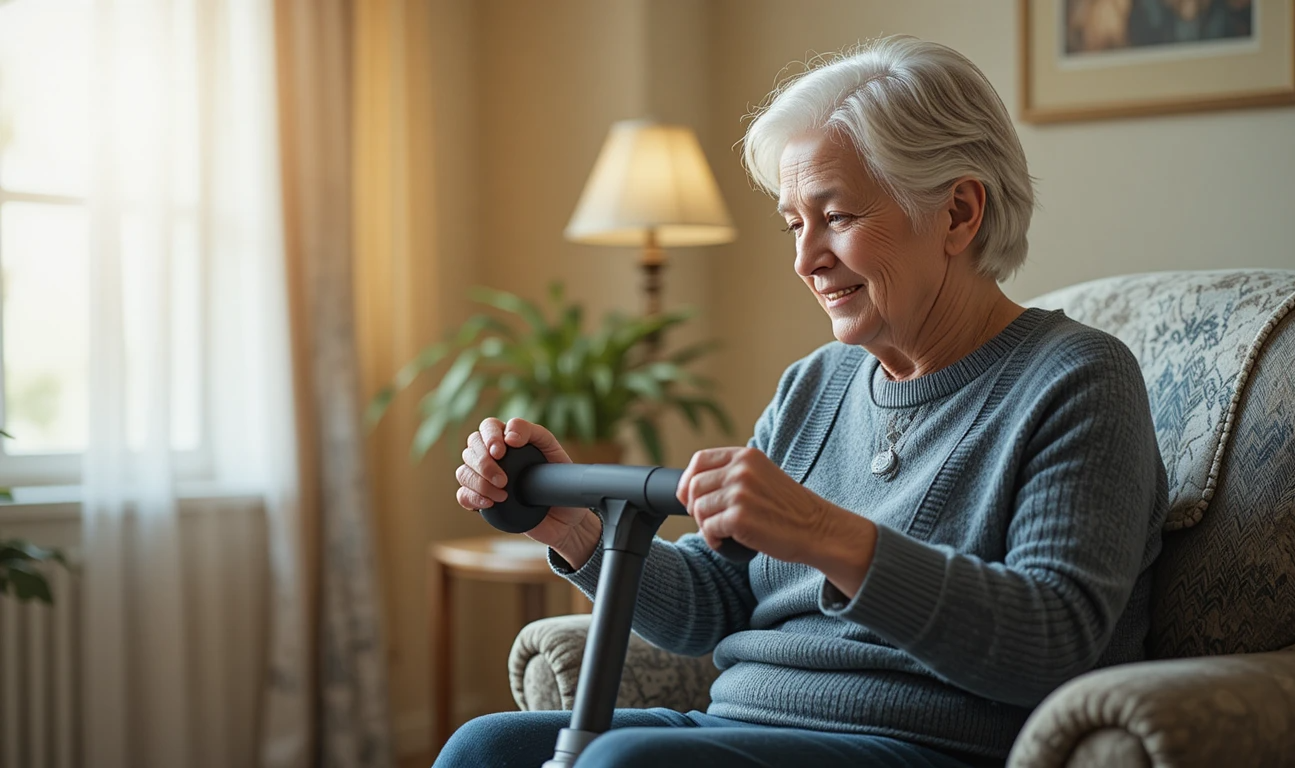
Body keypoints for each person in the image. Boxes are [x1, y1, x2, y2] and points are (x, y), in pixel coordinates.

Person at [436, 35, 1168, 768]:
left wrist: (824, 532)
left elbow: (1054, 643)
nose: (804, 258)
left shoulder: (1077, 380)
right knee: (487, 747)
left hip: (925, 744)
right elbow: (717, 600)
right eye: (795, 223)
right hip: (750, 726)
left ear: (958, 214)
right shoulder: (815, 386)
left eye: (838, 217)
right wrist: (577, 532)